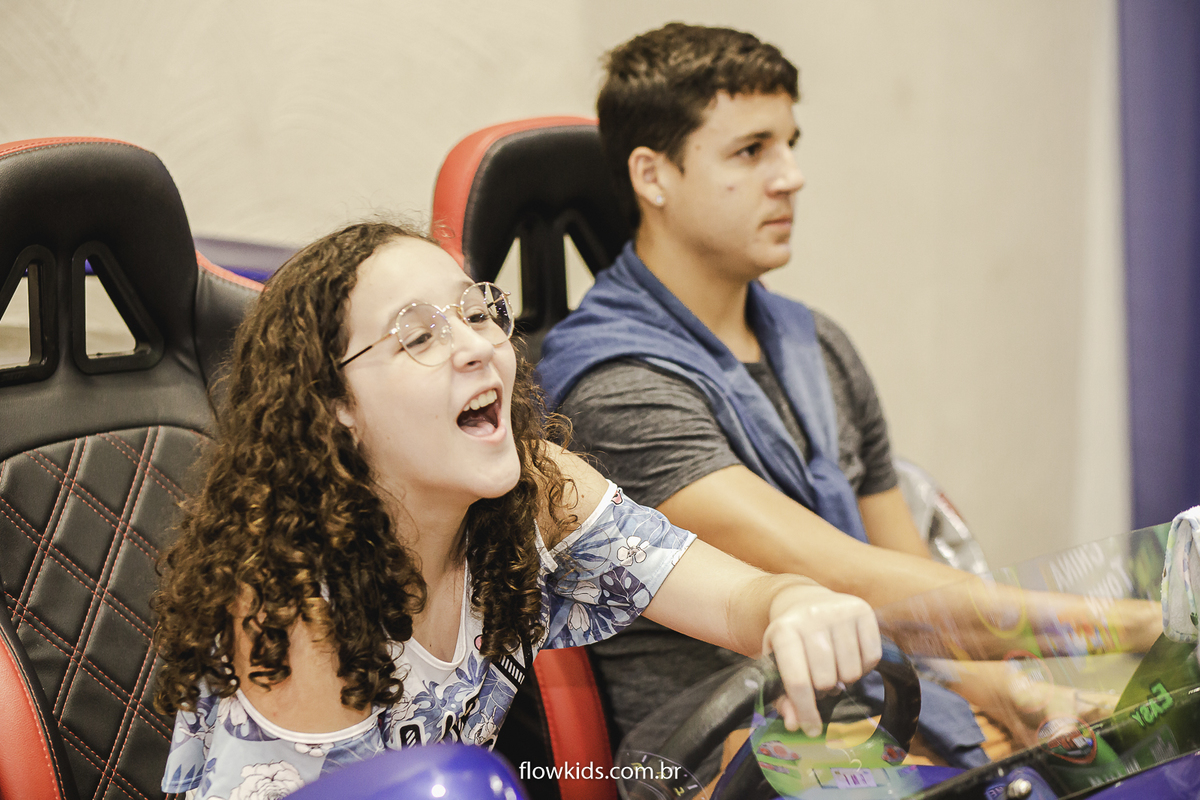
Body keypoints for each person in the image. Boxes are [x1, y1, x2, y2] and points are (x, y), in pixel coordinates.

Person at [152, 220, 883, 798]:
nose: (476, 346)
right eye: (419, 335)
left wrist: (795, 605)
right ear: (334, 405)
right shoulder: (297, 606)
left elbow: (734, 600)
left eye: (477, 313)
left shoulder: (539, 490)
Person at [536, 22, 993, 765]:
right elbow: (850, 580)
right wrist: (1126, 618)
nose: (790, 176)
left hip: (882, 713)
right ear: (653, 176)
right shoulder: (616, 385)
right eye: (751, 151)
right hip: (726, 752)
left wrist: (1028, 696)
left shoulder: (820, 345)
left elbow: (921, 594)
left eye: (788, 144)